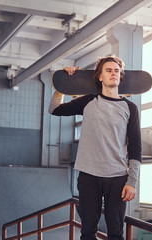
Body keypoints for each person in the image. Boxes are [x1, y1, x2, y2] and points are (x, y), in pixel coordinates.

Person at [48, 56, 141, 240]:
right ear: (100, 77)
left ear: (120, 76)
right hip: (89, 175)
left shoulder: (130, 108)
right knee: (88, 232)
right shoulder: (89, 101)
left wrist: (132, 181)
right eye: (108, 70)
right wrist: (63, 85)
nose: (113, 73)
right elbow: (54, 109)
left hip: (118, 177)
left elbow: (136, 147)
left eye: (116, 70)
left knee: (116, 233)